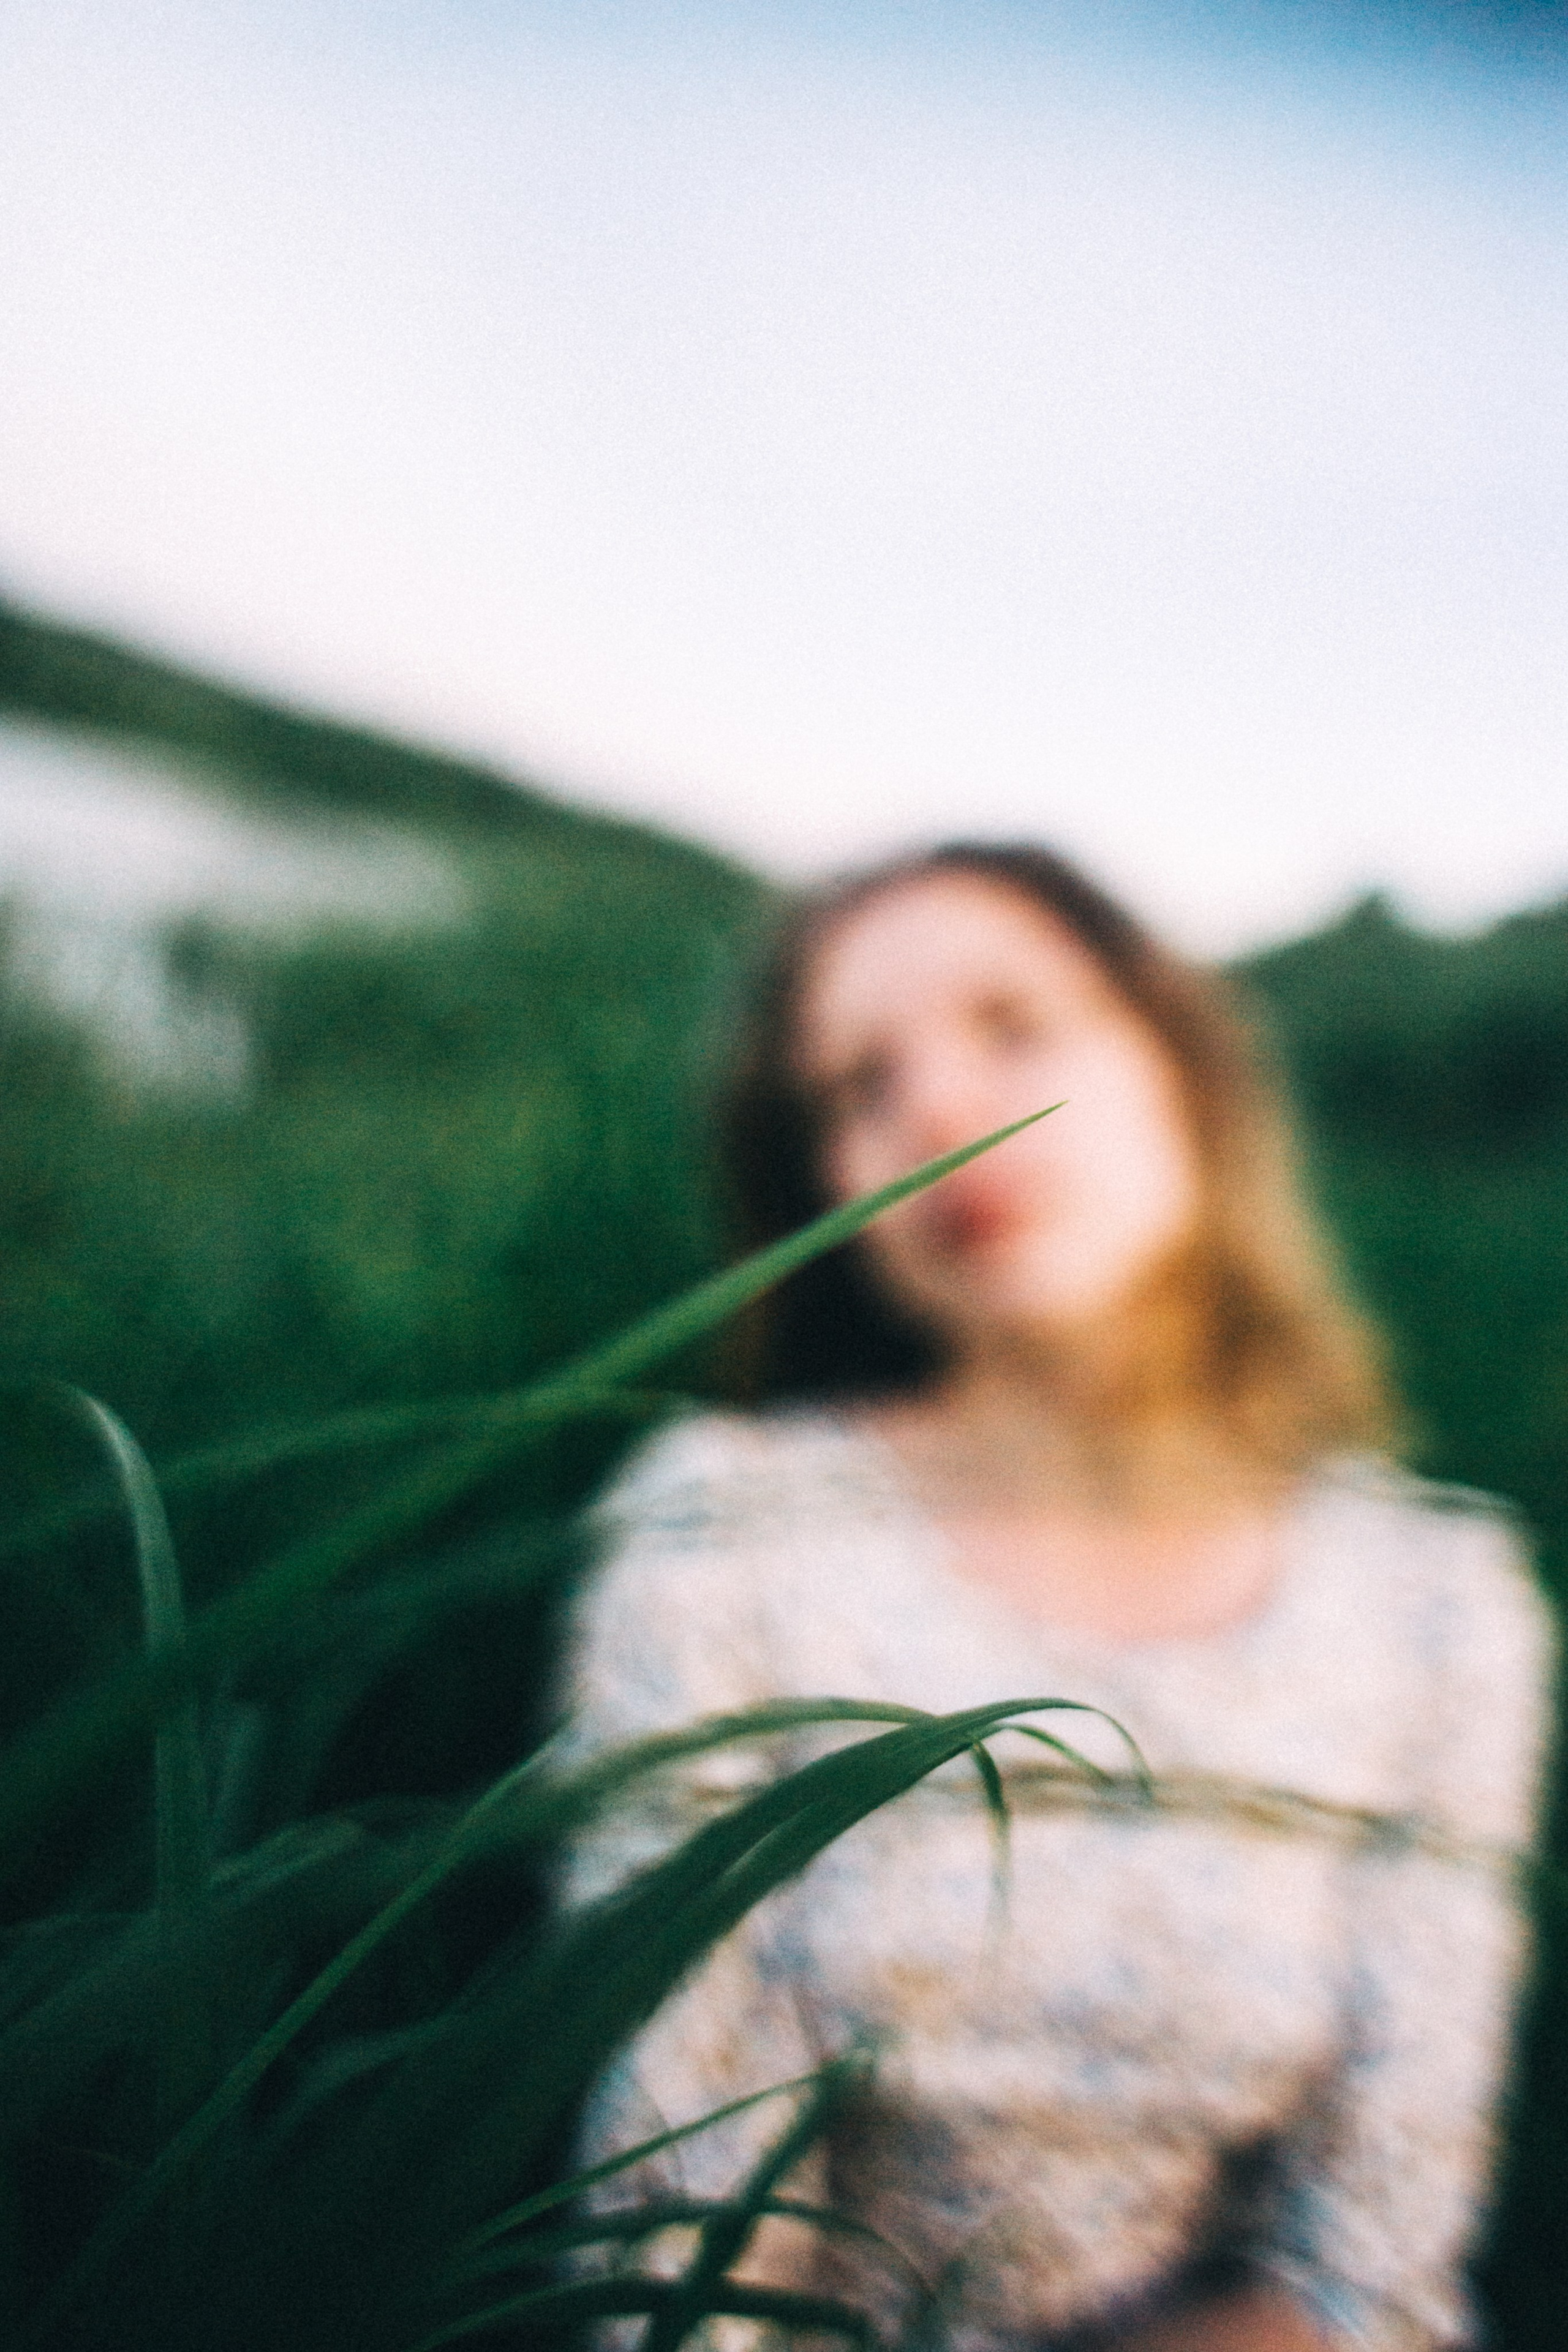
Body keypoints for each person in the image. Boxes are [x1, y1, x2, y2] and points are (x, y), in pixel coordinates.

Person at [556, 844, 1550, 2352]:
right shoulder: (727, 1528)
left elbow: (1371, 2275)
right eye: (853, 1088)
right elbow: (667, 2252)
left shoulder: (1439, 1600)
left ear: (1184, 1074)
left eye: (1012, 1026)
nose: (935, 1114)